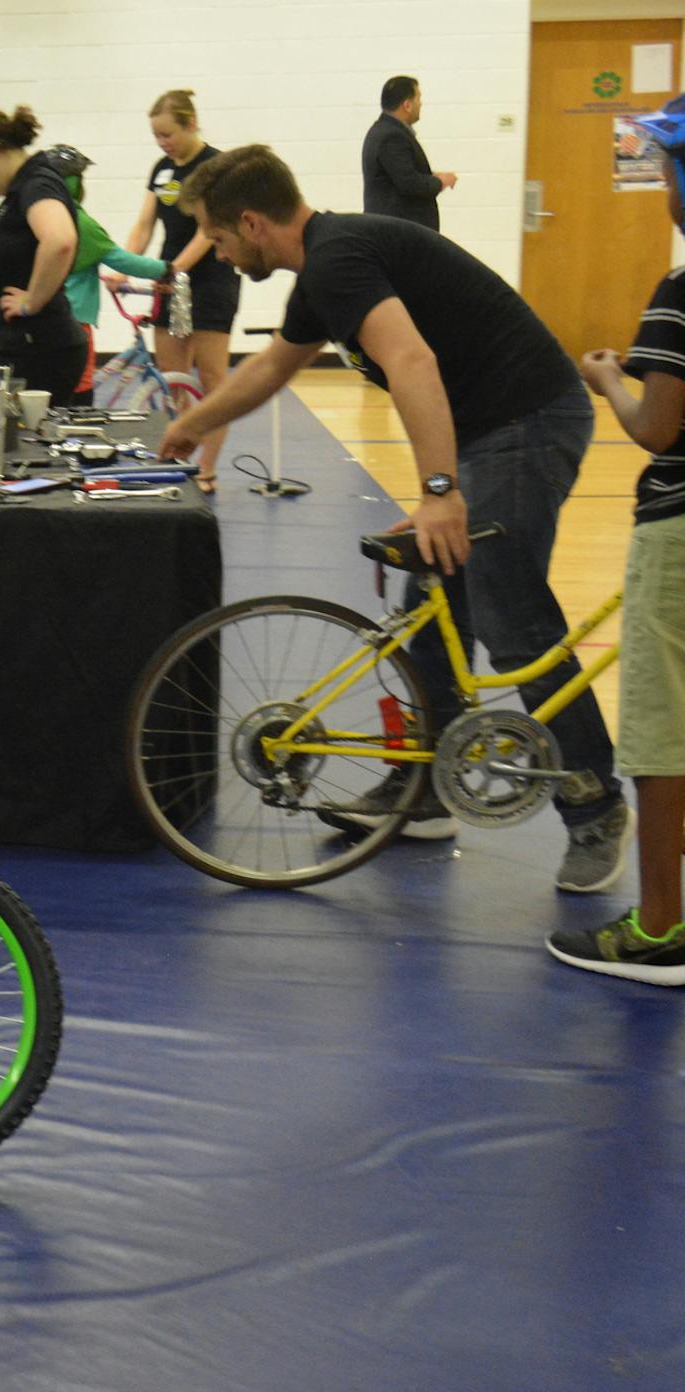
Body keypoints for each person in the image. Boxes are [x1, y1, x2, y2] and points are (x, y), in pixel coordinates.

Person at [154, 144, 633, 894]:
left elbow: (411, 362)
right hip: (486, 429)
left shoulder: (338, 257)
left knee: (509, 613)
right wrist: (194, 424)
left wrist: (440, 490)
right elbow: (275, 368)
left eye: (217, 237)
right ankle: (425, 793)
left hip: (528, 419)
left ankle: (594, 805)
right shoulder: (325, 266)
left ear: (251, 222)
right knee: (429, 604)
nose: (217, 252)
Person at [549, 96, 685, 983]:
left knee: (662, 737)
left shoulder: (679, 296)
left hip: (676, 532)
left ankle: (662, 929)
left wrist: (608, 379)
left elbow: (659, 428)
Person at [121, 90, 238, 490]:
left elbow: (209, 231)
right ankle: (177, 457)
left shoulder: (216, 166)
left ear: (190, 125)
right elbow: (144, 225)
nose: (162, 143)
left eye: (168, 134)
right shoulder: (162, 169)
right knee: (170, 378)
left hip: (211, 279)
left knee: (211, 380)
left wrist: (174, 269)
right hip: (170, 280)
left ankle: (207, 467)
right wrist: (125, 264)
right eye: (156, 136)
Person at [0, 106, 86, 404]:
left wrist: (30, 302)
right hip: (23, 348)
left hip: (38, 351)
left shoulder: (37, 184)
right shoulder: (21, 191)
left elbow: (60, 240)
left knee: (26, 447)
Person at [43, 144, 168, 397]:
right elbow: (122, 260)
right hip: (73, 318)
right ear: (73, 184)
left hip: (42, 318)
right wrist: (167, 269)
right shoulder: (79, 222)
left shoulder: (36, 216)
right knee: (80, 387)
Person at [362, 76, 454, 231]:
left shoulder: (384, 131)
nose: (421, 103)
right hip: (398, 234)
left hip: (397, 231)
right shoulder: (391, 137)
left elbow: (401, 175)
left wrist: (430, 177)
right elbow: (409, 184)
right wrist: (441, 182)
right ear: (407, 105)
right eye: (418, 98)